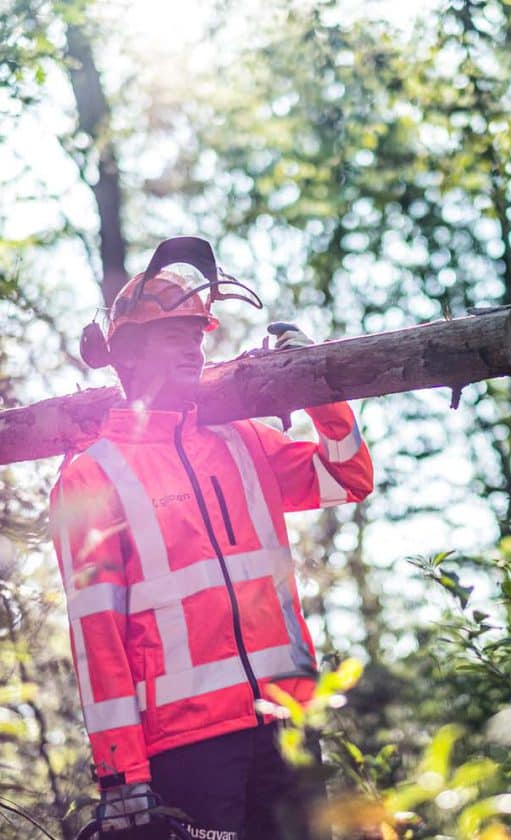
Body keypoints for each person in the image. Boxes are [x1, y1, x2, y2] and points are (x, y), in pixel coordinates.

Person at [49, 238, 373, 839]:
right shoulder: (92, 476)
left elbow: (346, 477)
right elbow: (98, 640)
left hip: (289, 726)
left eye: (197, 337)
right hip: (187, 751)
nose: (193, 352)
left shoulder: (243, 442)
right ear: (130, 356)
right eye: (175, 338)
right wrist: (122, 773)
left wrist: (319, 390)